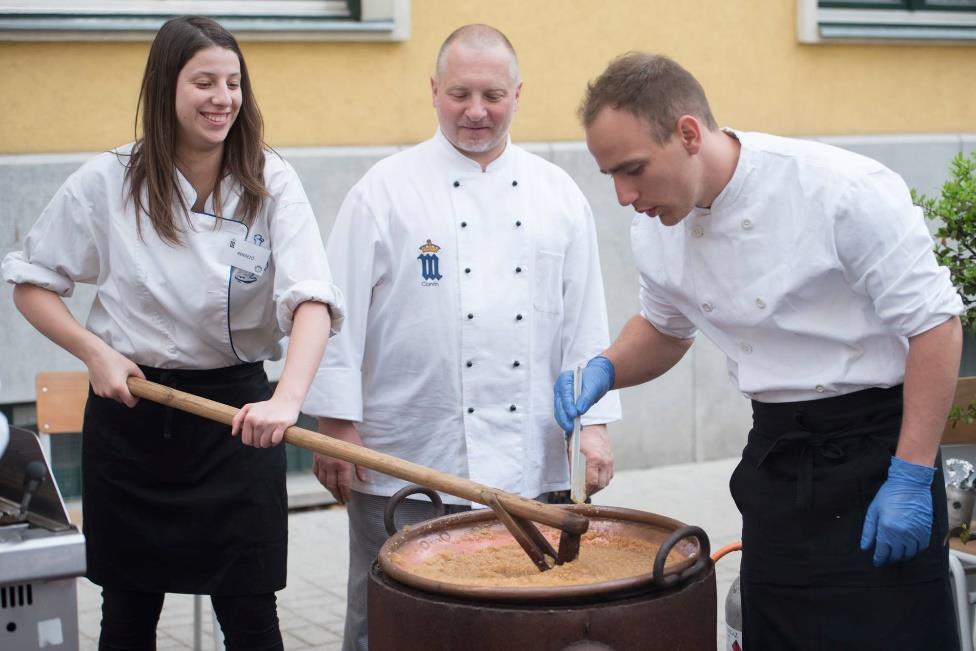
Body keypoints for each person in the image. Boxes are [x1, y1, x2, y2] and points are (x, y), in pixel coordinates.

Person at [556, 53, 964, 649]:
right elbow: (667, 329)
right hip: (776, 459)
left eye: (634, 169)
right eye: (611, 176)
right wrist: (606, 368)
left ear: (689, 133)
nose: (623, 195)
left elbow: (935, 326)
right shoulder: (656, 227)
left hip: (878, 457)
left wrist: (909, 474)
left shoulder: (841, 190)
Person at [2, 16, 344, 650]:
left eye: (234, 83)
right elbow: (31, 282)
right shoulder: (109, 181)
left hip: (238, 418)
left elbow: (312, 303)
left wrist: (287, 401)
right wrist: (96, 353)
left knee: (250, 614)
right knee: (127, 615)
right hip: (133, 418)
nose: (223, 99)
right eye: (205, 82)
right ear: (166, 88)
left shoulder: (272, 182)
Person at [303, 24, 621, 651]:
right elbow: (333, 313)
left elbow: (586, 320)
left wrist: (597, 426)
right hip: (405, 456)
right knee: (388, 619)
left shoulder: (559, 194)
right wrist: (334, 424)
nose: (476, 111)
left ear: (518, 94)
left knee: (522, 622)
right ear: (434, 91)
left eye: (493, 95)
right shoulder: (384, 191)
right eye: (460, 93)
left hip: (531, 458)